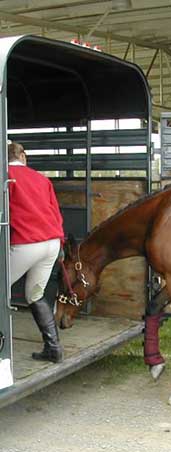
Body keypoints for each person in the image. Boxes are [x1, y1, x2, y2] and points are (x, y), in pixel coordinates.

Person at [8, 142, 64, 363]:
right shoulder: (42, 179)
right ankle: (54, 348)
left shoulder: (6, 177)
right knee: (35, 295)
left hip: (27, 243)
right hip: (51, 243)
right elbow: (56, 213)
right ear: (23, 156)